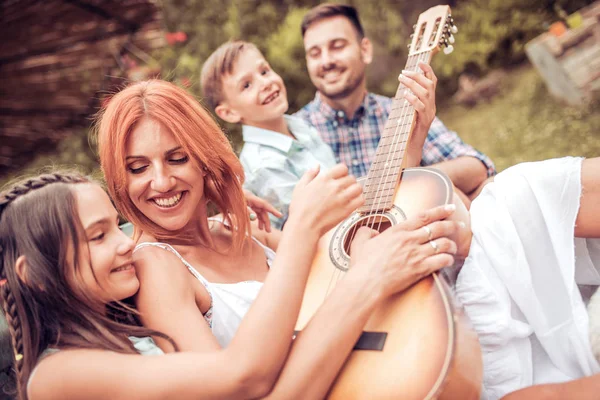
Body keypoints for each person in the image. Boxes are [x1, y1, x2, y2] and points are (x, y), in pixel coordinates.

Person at [0, 171, 459, 400]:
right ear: (33, 275)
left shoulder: (113, 318)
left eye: (116, 227)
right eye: (97, 236)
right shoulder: (58, 376)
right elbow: (246, 375)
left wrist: (218, 211)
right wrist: (354, 275)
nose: (124, 246)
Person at [200, 40, 436, 229]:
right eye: (247, 85)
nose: (265, 83)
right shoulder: (263, 165)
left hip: (353, 223)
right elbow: (315, 225)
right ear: (229, 112)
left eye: (264, 71)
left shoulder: (300, 127)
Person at [295, 3, 496, 203]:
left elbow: (477, 166)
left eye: (337, 46)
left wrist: (404, 182)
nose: (326, 61)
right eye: (314, 53)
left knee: (495, 187)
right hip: (350, 234)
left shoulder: (402, 107)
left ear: (365, 50)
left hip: (421, 229)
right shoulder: (294, 132)